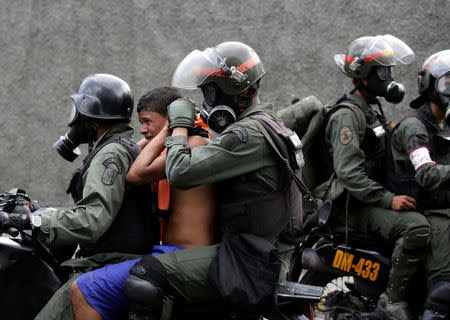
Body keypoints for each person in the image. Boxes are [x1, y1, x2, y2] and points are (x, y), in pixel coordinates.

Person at [122, 41, 303, 320]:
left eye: (210, 91)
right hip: (263, 249)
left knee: (146, 275)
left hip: (251, 259)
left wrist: (179, 126)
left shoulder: (246, 136)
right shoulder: (270, 124)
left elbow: (180, 172)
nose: (207, 101)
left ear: (233, 91)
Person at [0, 73, 161, 320]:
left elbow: (92, 220)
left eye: (77, 111)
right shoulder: (119, 148)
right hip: (110, 261)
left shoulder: (110, 155)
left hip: (107, 264)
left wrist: (28, 221)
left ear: (90, 117)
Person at [68, 86, 216, 320]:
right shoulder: (174, 147)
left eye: (147, 122)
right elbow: (133, 152)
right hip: (167, 252)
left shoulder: (193, 145)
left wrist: (172, 125)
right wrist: (166, 129)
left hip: (185, 255)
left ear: (170, 119)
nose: (143, 130)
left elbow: (135, 174)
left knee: (85, 289)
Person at [321, 35, 432, 320]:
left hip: (370, 199)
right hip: (352, 207)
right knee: (416, 227)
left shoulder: (371, 109)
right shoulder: (347, 115)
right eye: (383, 71)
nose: (389, 77)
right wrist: (389, 200)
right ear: (363, 75)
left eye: (389, 71)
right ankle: (392, 302)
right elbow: (349, 174)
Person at [386, 50, 450, 320]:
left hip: (441, 205)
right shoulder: (415, 127)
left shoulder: (441, 125)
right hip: (427, 210)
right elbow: (426, 175)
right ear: (430, 88)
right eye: (448, 83)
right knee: (445, 288)